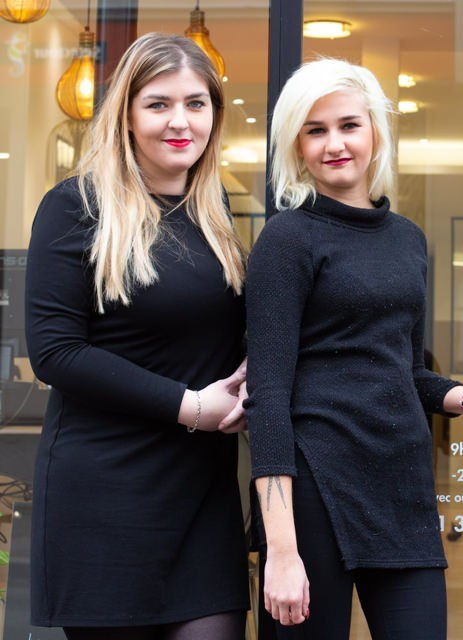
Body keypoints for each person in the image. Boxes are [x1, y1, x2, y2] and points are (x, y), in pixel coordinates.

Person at [243, 56, 463, 639]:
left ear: (375, 130)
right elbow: (268, 395)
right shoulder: (287, 239)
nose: (335, 143)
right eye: (316, 129)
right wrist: (280, 548)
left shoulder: (408, 240)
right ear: (296, 145)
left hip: (400, 483)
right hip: (314, 490)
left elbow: (405, 372)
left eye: (349, 125)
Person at [26, 33, 250, 640]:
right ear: (126, 112)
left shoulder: (215, 213)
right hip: (104, 496)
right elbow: (56, 352)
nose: (180, 121)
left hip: (201, 498)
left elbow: (221, 330)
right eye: (158, 104)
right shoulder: (76, 206)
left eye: (196, 103)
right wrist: (192, 407)